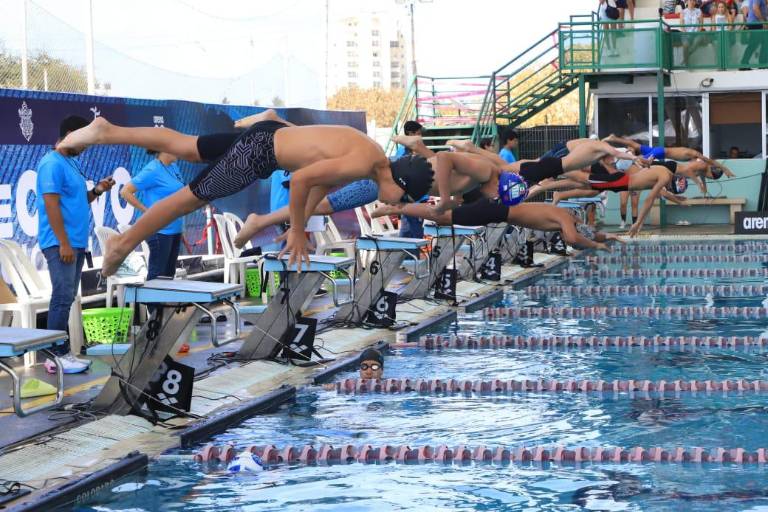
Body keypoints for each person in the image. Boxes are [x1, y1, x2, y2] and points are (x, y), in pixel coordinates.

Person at [57, 110, 433, 275]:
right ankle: (122, 244)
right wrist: (298, 231)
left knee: (185, 145)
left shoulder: (370, 155)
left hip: (267, 136)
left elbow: (317, 182)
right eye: (401, 199)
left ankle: (107, 131)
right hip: (258, 153)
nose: (394, 205)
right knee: (187, 200)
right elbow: (301, 181)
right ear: (400, 184)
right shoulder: (362, 165)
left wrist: (299, 222)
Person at [37, 115, 115, 374]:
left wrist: (98, 190)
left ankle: (62, 352)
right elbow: (51, 205)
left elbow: (79, 200)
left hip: (76, 242)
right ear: (71, 134)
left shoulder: (70, 163)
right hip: (61, 243)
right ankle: (55, 356)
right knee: (61, 297)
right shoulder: (51, 163)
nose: (87, 146)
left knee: (67, 296)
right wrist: (63, 242)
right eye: (86, 140)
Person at [372, 200, 623, 251]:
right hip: (494, 211)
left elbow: (583, 234)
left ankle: (398, 207)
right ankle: (396, 208)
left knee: (442, 215)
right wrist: (596, 246)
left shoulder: (565, 216)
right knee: (441, 216)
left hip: (496, 210)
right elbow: (573, 239)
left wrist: (608, 238)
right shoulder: (566, 220)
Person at [120, 150, 184, 281]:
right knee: (157, 277)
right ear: (164, 149)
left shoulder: (173, 167)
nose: (179, 149)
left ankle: (162, 296)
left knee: (168, 277)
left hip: (175, 229)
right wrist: (147, 211)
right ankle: (151, 296)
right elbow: (125, 191)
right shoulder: (153, 169)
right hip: (160, 231)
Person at [602, 134, 734, 177]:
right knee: (640, 161)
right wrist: (725, 168)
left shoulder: (692, 157)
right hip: (661, 153)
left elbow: (703, 169)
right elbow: (709, 160)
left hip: (659, 151)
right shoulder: (694, 154)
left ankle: (614, 138)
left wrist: (703, 186)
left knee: (635, 146)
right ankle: (622, 155)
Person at [393, 120, 426, 239]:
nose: (421, 136)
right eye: (418, 133)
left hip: (420, 199)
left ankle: (410, 251)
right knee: (409, 232)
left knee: (416, 232)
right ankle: (405, 251)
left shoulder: (420, 149)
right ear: (410, 133)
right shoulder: (403, 152)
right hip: (409, 200)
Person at [741, 0, 767, 67]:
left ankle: (762, 62)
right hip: (756, 23)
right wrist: (763, 22)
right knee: (753, 44)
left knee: (764, 42)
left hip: (756, 23)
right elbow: (755, 8)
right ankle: (744, 63)